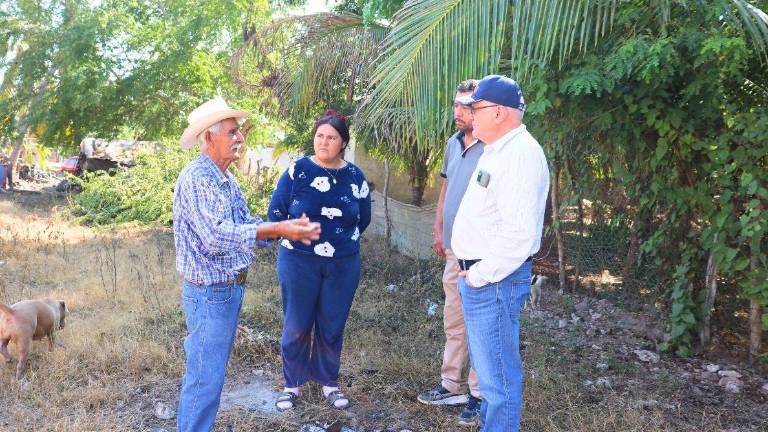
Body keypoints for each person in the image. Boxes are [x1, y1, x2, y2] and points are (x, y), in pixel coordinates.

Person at [173, 96, 321, 432]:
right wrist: (274, 229)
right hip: (210, 293)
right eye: (231, 132)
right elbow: (215, 236)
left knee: (210, 376)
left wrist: (284, 230)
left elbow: (244, 224)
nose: (240, 138)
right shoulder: (198, 178)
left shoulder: (224, 178)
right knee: (204, 379)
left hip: (225, 291)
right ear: (208, 137)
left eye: (239, 131)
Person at [452, 75, 550, 431]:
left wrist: (478, 274)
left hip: (492, 281)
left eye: (474, 108)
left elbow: (518, 235)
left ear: (498, 112)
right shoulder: (499, 150)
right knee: (493, 376)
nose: (467, 114)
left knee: (498, 381)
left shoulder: (521, 156)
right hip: (484, 278)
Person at [267, 110, 371, 411]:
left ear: (343, 143)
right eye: (320, 136)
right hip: (298, 261)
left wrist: (337, 241)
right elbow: (276, 213)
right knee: (297, 324)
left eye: (331, 137)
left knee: (332, 324)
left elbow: (362, 218)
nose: (324, 142)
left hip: (343, 263)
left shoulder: (354, 176)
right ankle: (292, 385)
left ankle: (329, 383)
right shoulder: (296, 171)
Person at [417, 79, 484, 427]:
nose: (458, 112)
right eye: (456, 105)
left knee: (479, 322)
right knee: (453, 318)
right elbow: (445, 187)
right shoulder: (453, 142)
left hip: (484, 254)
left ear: (483, 108)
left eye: (466, 106)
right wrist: (439, 228)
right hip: (455, 248)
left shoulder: (494, 148)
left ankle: (478, 394)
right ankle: (451, 384)